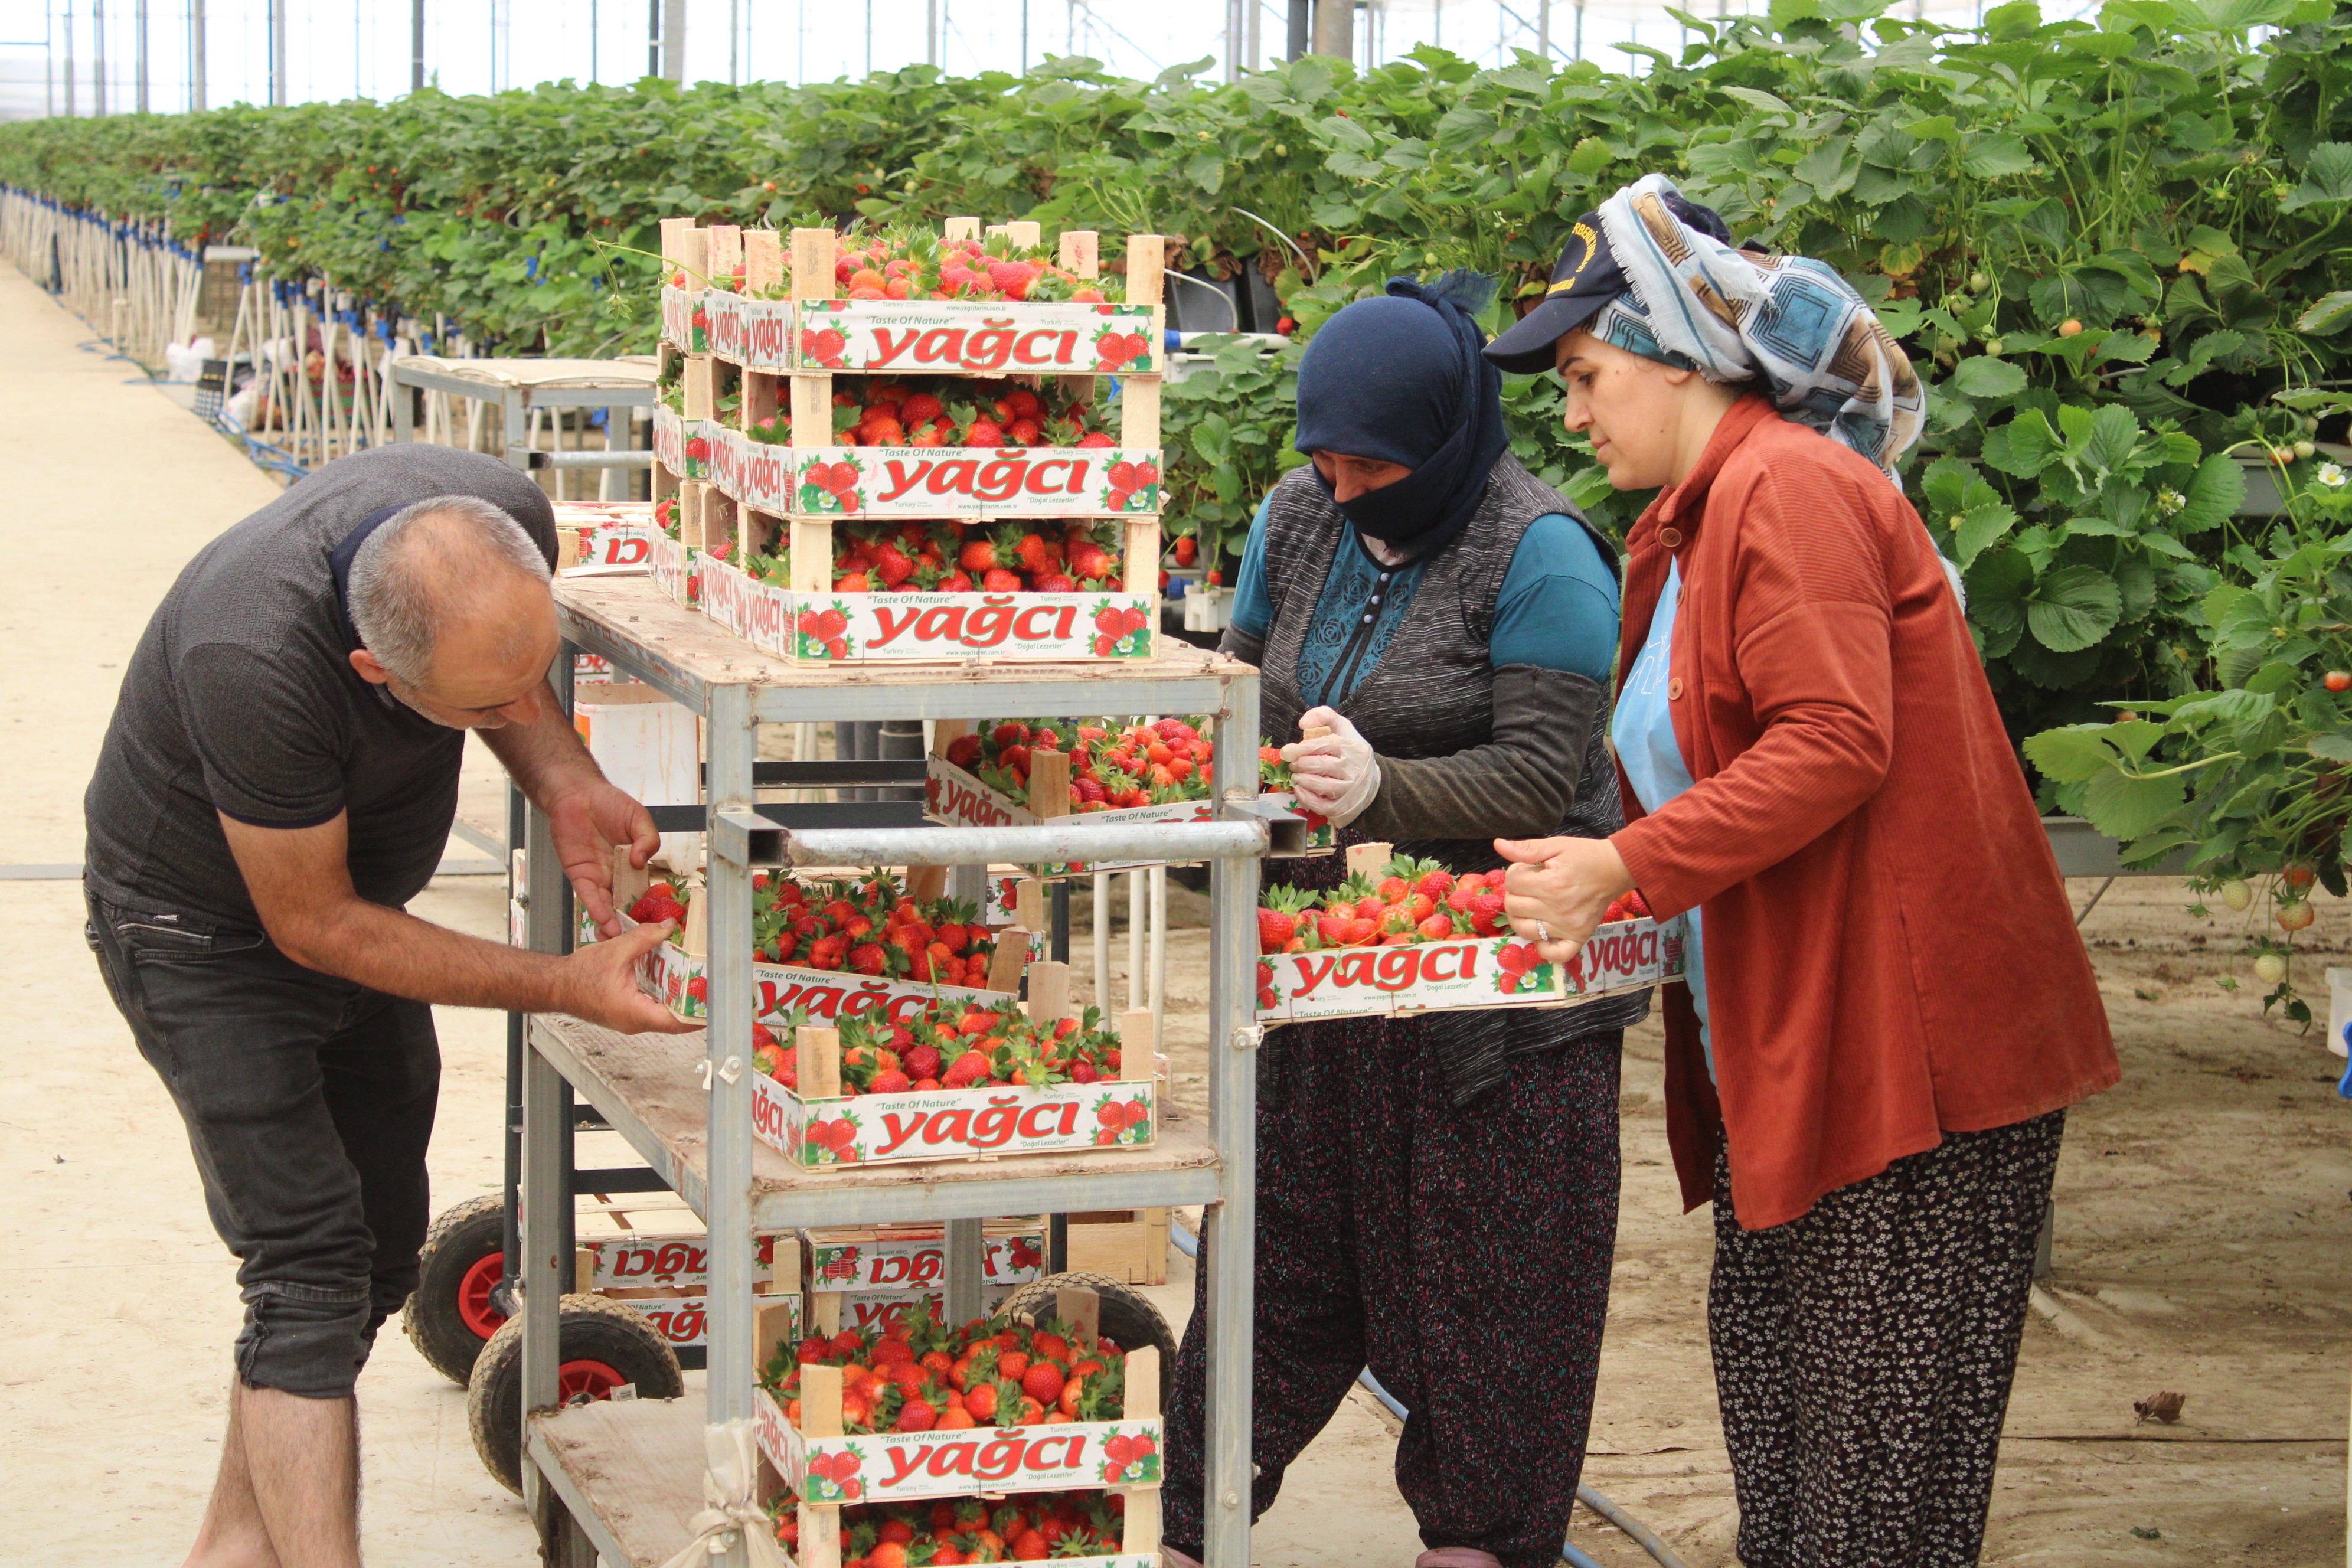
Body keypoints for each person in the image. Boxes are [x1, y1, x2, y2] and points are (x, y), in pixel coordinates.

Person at [1483, 174, 2121, 1568]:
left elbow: (1835, 740)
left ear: (1674, 350)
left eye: (1587, 375)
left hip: (1915, 1060)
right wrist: (1600, 869)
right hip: (1802, 1043)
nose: (1574, 416)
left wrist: (1628, 866)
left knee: (1871, 1502)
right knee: (1794, 1461)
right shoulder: (1698, 516)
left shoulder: (1791, 492)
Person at [82, 443, 691, 1568]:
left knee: (372, 1261)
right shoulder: (251, 659)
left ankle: (234, 1549)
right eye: (483, 707)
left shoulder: (492, 513)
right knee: (306, 1265)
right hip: (204, 938)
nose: (519, 706)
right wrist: (559, 985)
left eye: (533, 671)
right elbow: (312, 929)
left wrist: (563, 777)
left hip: (360, 910)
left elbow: (505, 672)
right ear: (375, 672)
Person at [1160, 276, 1646, 1568]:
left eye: (1371, 463)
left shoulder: (1542, 546)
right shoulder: (1298, 514)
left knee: (1491, 1303)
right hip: (1330, 979)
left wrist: (1388, 789)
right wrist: (1237, 769)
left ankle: (1475, 1541)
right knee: (1276, 1263)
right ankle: (1187, 1523)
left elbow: (1549, 772)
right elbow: (1249, 688)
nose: (1344, 482)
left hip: (1500, 1003)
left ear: (1441, 439)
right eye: (1324, 455)